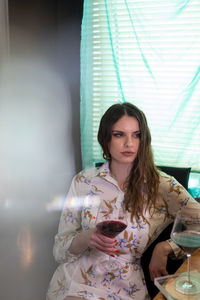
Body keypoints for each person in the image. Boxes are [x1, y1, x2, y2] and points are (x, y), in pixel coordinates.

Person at [46, 102, 200, 300]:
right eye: (119, 134)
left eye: (136, 135)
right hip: (77, 283)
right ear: (105, 139)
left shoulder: (162, 186)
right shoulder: (83, 181)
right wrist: (87, 237)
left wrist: (167, 247)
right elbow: (59, 251)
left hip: (125, 288)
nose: (129, 143)